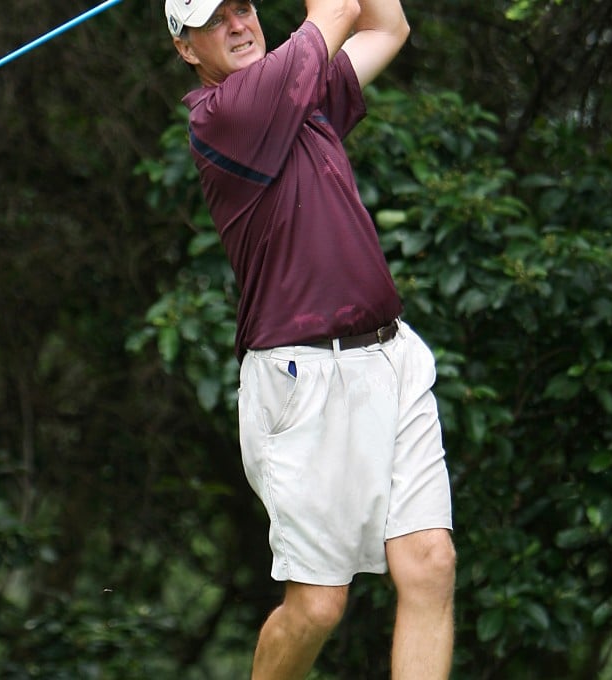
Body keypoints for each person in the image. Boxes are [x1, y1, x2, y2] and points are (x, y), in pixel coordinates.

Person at [163, 0, 456, 677]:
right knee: (319, 606)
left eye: (242, 7)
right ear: (186, 49)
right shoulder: (226, 114)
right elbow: (342, 9)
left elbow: (387, 26)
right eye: (214, 20)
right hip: (300, 379)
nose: (238, 25)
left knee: (430, 563)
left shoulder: (301, 92)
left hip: (390, 356)